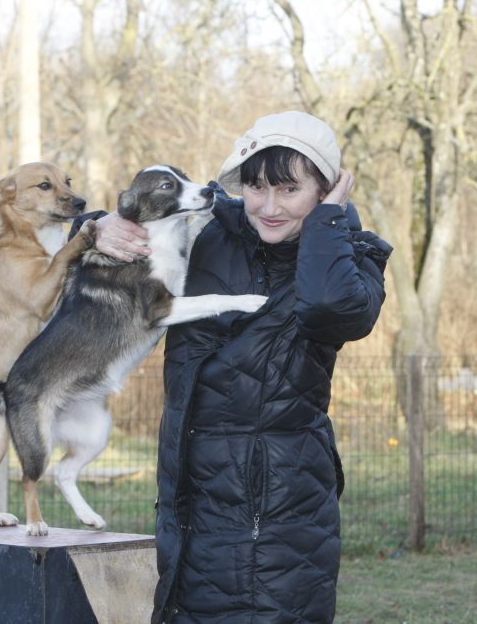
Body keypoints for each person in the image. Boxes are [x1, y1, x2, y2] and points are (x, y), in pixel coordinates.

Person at [92, 111, 391, 623]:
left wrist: (327, 223)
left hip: (277, 522)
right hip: (190, 504)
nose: (269, 207)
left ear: (327, 189)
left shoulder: (352, 260)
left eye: (290, 190)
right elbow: (105, 225)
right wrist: (96, 228)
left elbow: (329, 308)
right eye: (256, 188)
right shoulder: (211, 231)